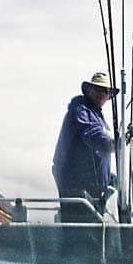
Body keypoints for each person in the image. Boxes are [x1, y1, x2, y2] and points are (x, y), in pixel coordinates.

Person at [52, 71, 118, 222]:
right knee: (81, 239)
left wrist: (112, 179)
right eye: (97, 89)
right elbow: (96, 138)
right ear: (88, 90)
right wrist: (116, 144)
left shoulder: (97, 116)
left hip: (93, 192)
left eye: (105, 91)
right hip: (76, 190)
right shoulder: (81, 111)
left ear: (109, 96)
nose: (101, 94)